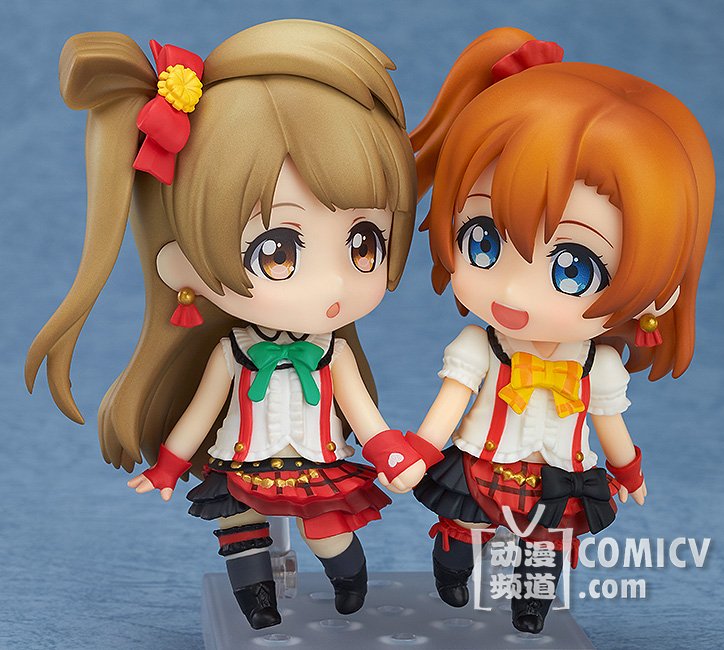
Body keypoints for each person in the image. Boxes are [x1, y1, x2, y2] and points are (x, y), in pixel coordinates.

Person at [25, 20, 424, 630]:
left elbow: (363, 415)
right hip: (243, 462)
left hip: (317, 463)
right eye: (278, 251)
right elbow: (199, 413)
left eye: (363, 243)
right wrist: (167, 466)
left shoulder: (331, 353)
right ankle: (258, 603)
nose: (334, 286)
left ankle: (350, 582)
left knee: (327, 531)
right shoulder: (232, 352)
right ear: (184, 263)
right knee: (240, 527)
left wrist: (388, 450)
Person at [399, 27, 714, 634]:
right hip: (480, 461)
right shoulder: (479, 346)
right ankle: (452, 571)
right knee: (463, 531)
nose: (515, 295)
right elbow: (449, 406)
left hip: (558, 473)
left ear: (661, 288)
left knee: (542, 546)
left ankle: (530, 605)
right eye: (483, 241)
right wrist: (420, 451)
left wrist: (628, 471)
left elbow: (610, 425)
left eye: (572, 268)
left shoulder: (599, 366)